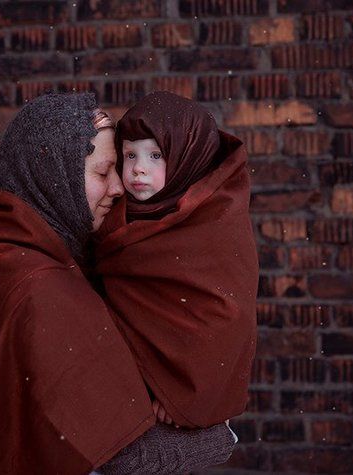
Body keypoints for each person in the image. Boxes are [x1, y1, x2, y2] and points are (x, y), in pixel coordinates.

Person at [0, 92, 235, 474]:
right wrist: (221, 433)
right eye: (103, 172)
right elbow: (125, 460)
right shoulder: (42, 287)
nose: (119, 188)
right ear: (55, 178)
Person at [93, 91, 259, 429]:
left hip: (170, 397)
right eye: (130, 155)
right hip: (119, 392)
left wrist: (182, 391)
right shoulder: (111, 214)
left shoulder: (211, 219)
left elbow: (222, 317)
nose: (139, 168)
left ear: (187, 159)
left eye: (156, 155)